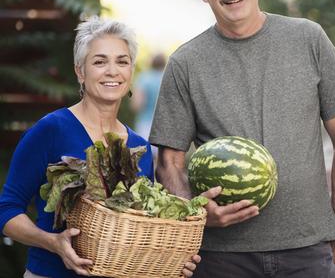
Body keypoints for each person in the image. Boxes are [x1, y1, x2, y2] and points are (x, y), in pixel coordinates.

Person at [149, 0, 335, 277]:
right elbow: (168, 162)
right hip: (221, 257)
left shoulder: (309, 39)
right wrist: (196, 212)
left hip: (306, 250)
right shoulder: (186, 63)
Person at [0, 17, 199, 278]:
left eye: (122, 61)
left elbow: (140, 229)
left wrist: (172, 261)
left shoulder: (139, 147)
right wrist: (52, 242)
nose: (112, 71)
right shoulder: (52, 130)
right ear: (80, 71)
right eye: (99, 61)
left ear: (131, 71)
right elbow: (7, 210)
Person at [130, 53, 166, 157]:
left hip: (145, 125)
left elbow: (136, 105)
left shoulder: (144, 78)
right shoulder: (167, 78)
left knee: (145, 160)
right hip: (165, 127)